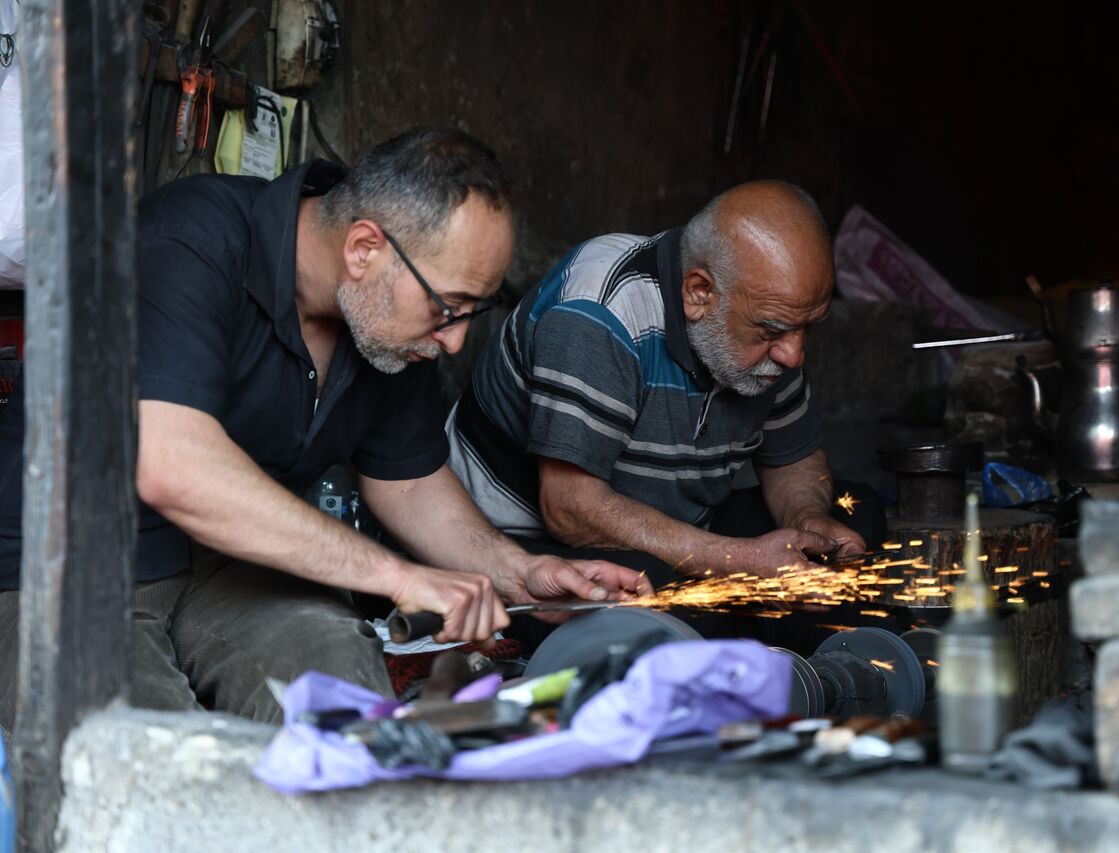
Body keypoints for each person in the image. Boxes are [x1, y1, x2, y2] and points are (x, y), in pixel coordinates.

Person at [0, 127, 649, 734]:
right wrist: (395, 575)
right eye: (446, 308)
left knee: (340, 691)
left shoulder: (389, 332)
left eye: (470, 313)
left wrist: (520, 572)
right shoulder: (189, 241)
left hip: (228, 564)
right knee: (146, 755)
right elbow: (172, 465)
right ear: (364, 249)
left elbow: (411, 482)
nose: (454, 340)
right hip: (66, 555)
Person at [447, 180, 886, 592]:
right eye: (773, 331)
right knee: (668, 592)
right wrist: (737, 560)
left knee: (857, 510)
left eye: (806, 329)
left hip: (677, 528)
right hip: (523, 545)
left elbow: (794, 456)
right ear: (699, 292)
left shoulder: (772, 324)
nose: (794, 356)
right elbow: (570, 509)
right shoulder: (601, 313)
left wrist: (807, 519)